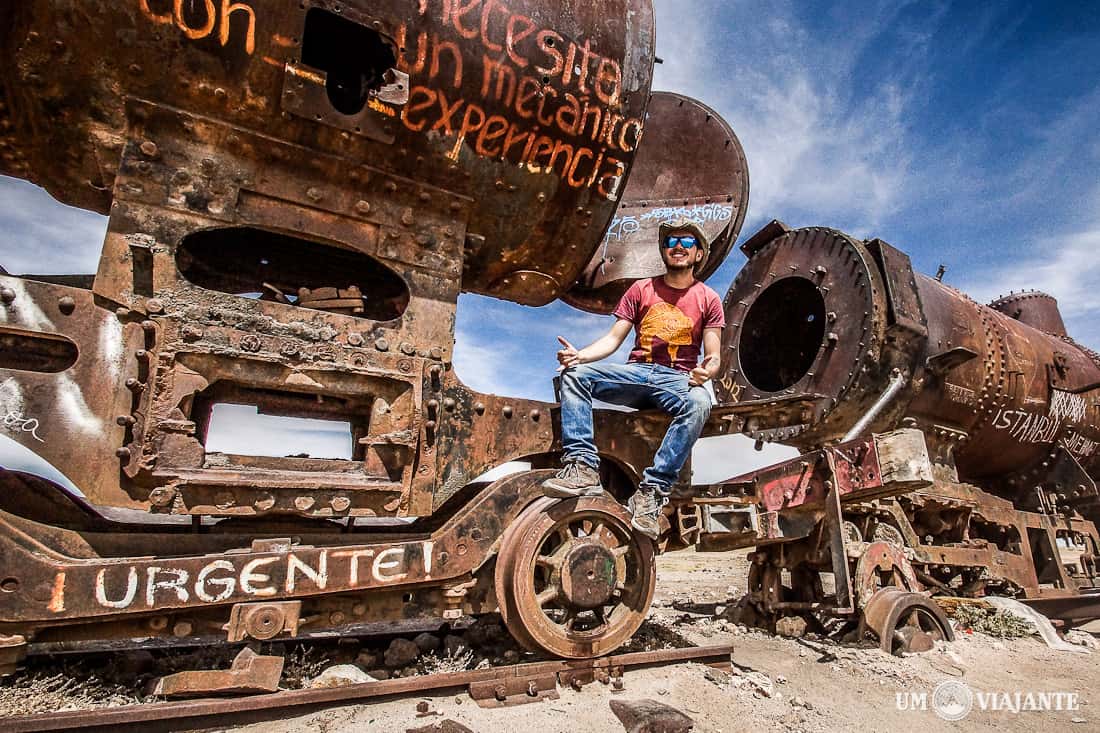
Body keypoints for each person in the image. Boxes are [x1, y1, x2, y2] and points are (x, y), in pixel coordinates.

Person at [542, 218, 725, 540]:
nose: (678, 247)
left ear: (698, 254)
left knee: (699, 403)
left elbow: (713, 355)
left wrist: (706, 370)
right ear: (663, 251)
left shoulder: (708, 298)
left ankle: (651, 492)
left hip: (678, 380)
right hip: (637, 375)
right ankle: (583, 466)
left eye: (686, 242)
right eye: (671, 242)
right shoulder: (641, 289)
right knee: (574, 375)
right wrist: (580, 356)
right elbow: (613, 339)